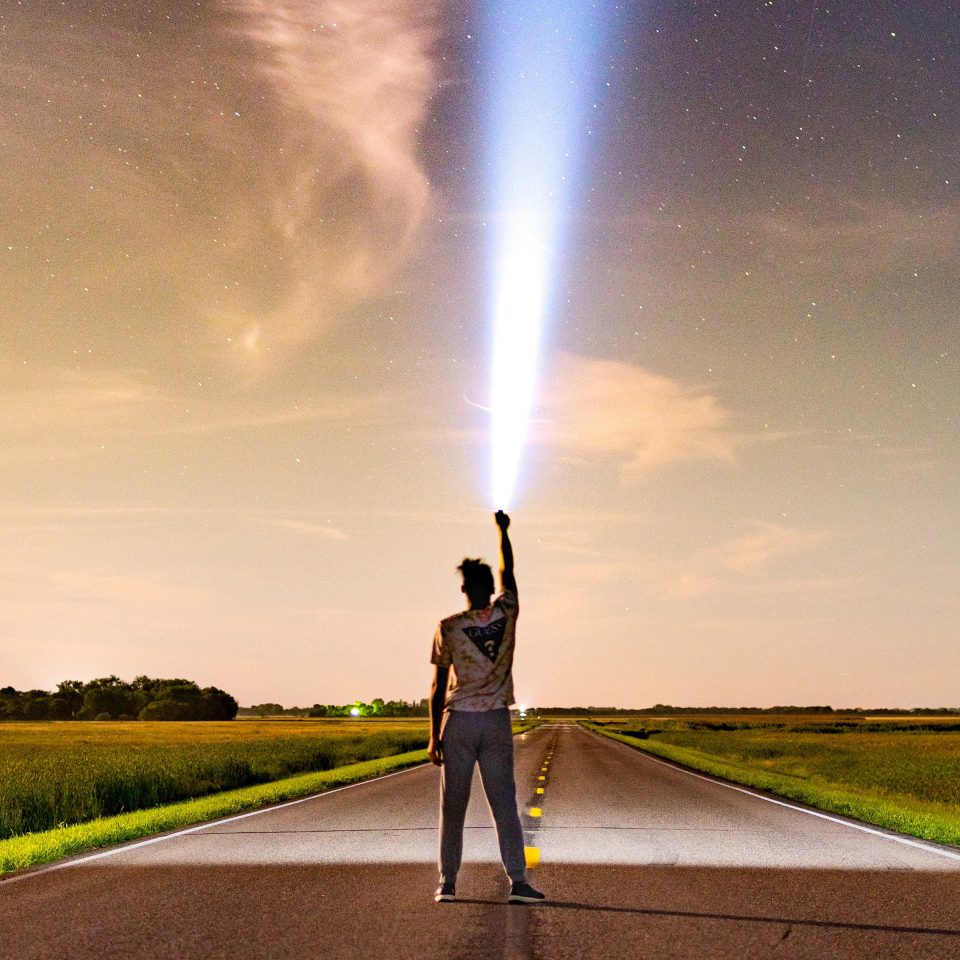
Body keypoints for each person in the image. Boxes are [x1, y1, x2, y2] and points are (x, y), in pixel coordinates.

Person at [428, 510, 545, 905]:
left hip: (457, 721)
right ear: (490, 587)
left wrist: (432, 736)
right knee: (504, 806)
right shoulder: (506, 612)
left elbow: (437, 686)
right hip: (495, 720)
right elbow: (509, 570)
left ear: (464, 588)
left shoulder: (448, 626)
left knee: (453, 807)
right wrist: (503, 531)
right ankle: (518, 882)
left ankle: (448, 883)